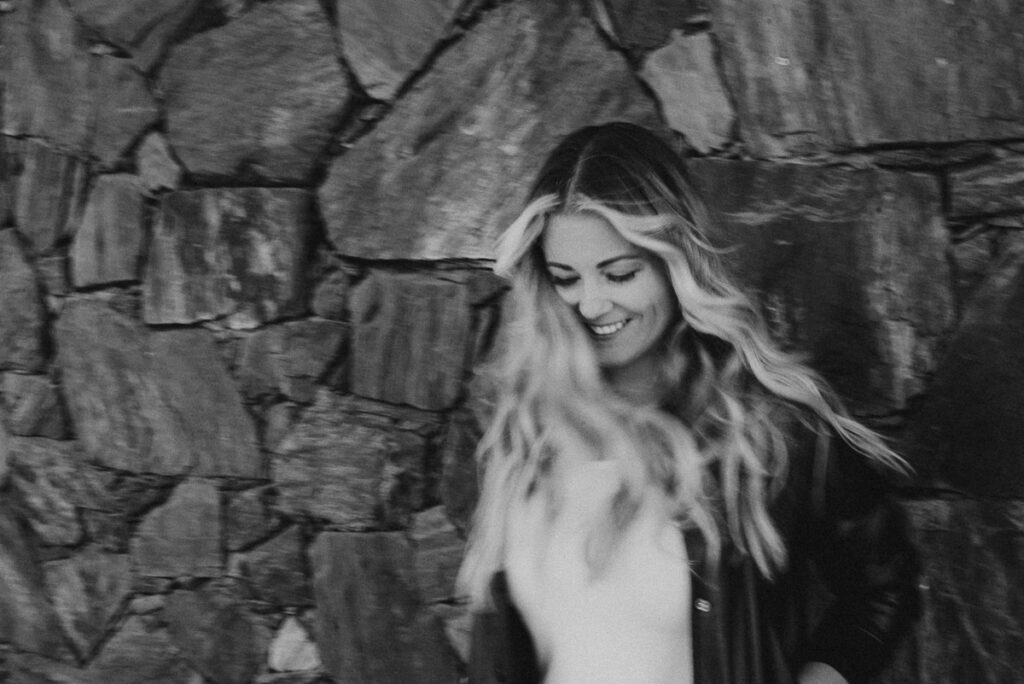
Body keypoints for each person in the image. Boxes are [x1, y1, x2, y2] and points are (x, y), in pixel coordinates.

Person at [455, 122, 920, 684]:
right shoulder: (524, 432)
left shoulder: (764, 433)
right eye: (565, 278)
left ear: (675, 263)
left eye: (619, 273)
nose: (591, 303)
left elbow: (883, 584)